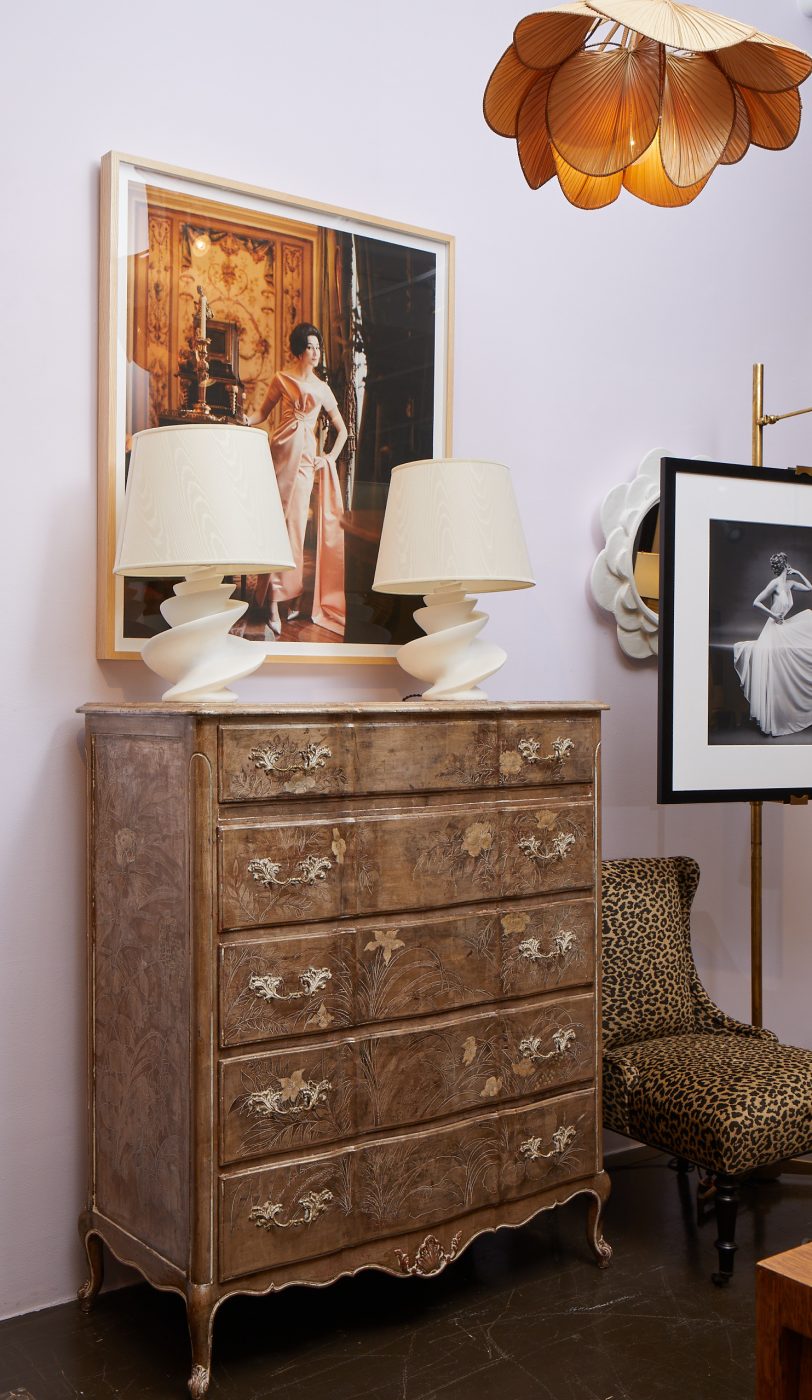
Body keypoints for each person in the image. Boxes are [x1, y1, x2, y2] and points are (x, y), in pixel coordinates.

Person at [247, 322, 348, 637]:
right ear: (299, 350)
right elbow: (262, 414)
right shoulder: (282, 378)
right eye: (310, 347)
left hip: (305, 463)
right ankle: (273, 603)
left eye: (318, 347)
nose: (316, 352)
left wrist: (329, 457)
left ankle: (286, 593)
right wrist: (240, 420)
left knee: (296, 530)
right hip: (281, 454)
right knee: (277, 524)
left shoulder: (321, 388)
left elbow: (343, 430)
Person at [733, 552, 812, 736]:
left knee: (808, 616)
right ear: (785, 565)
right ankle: (778, 715)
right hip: (774, 628)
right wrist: (774, 615)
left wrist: (798, 573)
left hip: (785, 626)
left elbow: (810, 587)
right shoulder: (775, 583)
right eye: (788, 565)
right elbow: (756, 602)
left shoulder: (790, 584)